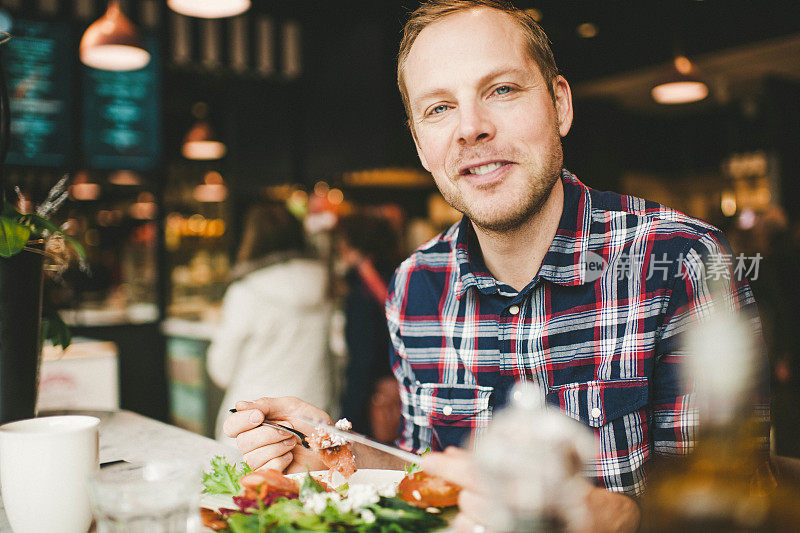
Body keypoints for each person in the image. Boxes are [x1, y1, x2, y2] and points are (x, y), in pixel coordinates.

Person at [223, 2, 764, 531]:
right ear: (420, 143)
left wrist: (621, 517)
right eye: (439, 108)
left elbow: (737, 509)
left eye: (501, 90)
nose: (470, 128)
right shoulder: (415, 285)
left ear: (560, 105)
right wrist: (339, 460)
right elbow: (429, 483)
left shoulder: (679, 261)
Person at [208, 203, 332, 442]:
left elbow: (221, 369)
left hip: (255, 422)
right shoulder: (325, 285)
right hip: (312, 417)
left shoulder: (245, 291)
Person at [335, 213, 402, 442]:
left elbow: (363, 354)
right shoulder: (399, 272)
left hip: (374, 395)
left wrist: (348, 413)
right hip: (399, 386)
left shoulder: (362, 286)